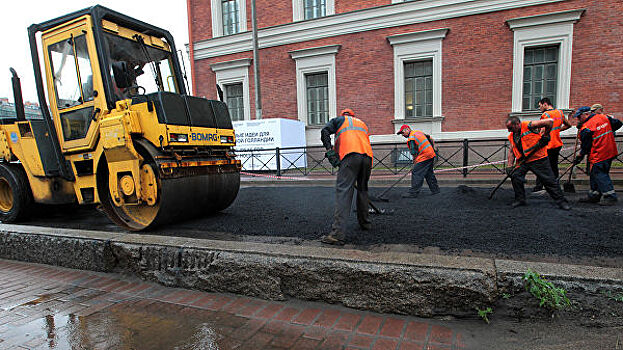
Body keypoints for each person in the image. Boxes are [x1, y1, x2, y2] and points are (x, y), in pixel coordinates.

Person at [320, 108, 373, 245]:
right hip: (367, 158)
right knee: (363, 190)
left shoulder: (339, 120)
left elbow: (324, 131)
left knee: (344, 192)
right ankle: (365, 223)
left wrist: (329, 150)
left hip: (350, 157)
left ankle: (337, 234)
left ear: (343, 115)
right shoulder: (362, 123)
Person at [506, 116, 571, 210]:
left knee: (549, 181)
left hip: (539, 159)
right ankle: (520, 199)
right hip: (523, 161)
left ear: (517, 124)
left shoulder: (528, 125)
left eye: (510, 128)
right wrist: (509, 166)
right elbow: (511, 151)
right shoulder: (512, 135)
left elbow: (549, 122)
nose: (509, 131)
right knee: (515, 176)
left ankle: (562, 202)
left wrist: (546, 135)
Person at [573, 106, 622, 205]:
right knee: (596, 173)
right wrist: (608, 132)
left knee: (599, 173)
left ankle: (610, 196)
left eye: (579, 117)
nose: (578, 119)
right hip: (610, 150)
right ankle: (594, 195)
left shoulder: (586, 128)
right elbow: (619, 123)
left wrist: (579, 156)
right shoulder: (604, 118)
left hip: (599, 153)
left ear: (586, 114)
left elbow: (586, 147)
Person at [532, 97, 572, 192]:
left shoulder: (545, 115)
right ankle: (555, 185)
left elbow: (541, 131)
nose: (540, 108)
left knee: (542, 166)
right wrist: (558, 130)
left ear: (545, 104)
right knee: (554, 166)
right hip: (557, 144)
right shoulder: (560, 113)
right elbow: (568, 125)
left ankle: (539, 186)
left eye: (540, 106)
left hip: (547, 144)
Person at [396, 125, 439, 198]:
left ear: (407, 129)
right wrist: (433, 148)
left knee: (416, 172)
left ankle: (413, 192)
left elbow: (413, 152)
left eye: (402, 133)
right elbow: (431, 138)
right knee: (428, 173)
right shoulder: (418, 132)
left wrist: (415, 161)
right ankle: (435, 190)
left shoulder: (411, 138)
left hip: (424, 156)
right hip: (431, 154)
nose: (402, 135)